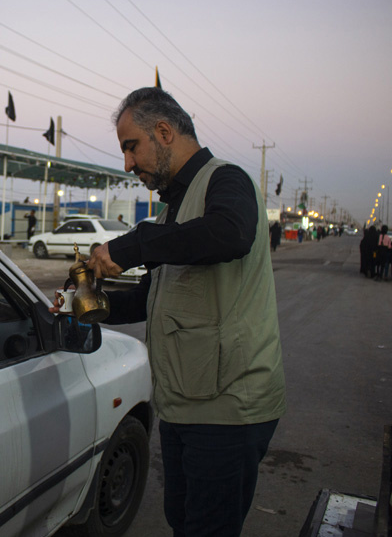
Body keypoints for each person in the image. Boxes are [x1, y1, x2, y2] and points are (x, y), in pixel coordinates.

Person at [55, 87, 286, 537]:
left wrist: (133, 245)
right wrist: (81, 306)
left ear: (164, 132)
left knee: (206, 528)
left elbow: (230, 234)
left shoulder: (227, 181)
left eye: (131, 146)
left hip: (228, 408)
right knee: (183, 521)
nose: (127, 163)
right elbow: (150, 296)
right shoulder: (171, 214)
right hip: (184, 404)